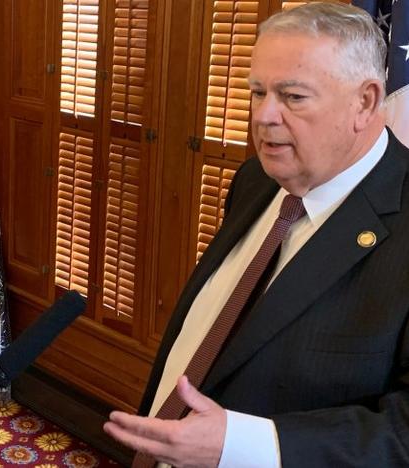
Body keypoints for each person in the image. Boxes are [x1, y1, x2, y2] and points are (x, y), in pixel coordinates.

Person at [104, 3, 409, 467]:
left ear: (365, 102)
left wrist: (247, 446)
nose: (264, 116)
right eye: (257, 91)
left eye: (293, 97)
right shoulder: (256, 180)